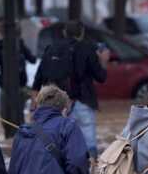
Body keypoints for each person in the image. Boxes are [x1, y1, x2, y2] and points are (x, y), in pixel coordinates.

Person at [32, 20, 109, 159]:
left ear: (64, 32)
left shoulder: (51, 48)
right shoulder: (87, 48)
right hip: (82, 100)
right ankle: (89, 172)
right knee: (88, 139)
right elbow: (101, 77)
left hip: (56, 103)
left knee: (60, 139)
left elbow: (39, 78)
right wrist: (103, 61)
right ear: (82, 33)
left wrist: (35, 101)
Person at [0, 22, 36, 117]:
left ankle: (14, 130)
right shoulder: (19, 44)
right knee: (18, 114)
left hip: (6, 87)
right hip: (20, 85)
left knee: (5, 114)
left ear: (0, 33)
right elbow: (33, 59)